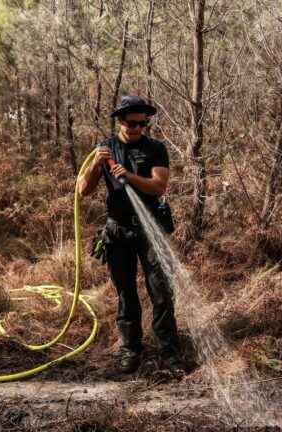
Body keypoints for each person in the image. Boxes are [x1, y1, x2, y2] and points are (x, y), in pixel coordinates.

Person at [78, 95, 180, 374]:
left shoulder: (156, 148)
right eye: (130, 122)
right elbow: (83, 191)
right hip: (118, 231)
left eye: (141, 123)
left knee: (161, 291)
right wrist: (95, 166)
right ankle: (130, 349)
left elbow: (159, 187)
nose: (135, 127)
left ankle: (169, 350)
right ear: (119, 121)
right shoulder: (105, 148)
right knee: (125, 293)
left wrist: (130, 177)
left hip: (150, 231)